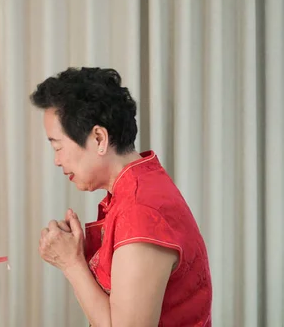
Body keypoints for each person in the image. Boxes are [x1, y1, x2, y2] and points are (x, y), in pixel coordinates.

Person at [33, 67, 212, 326]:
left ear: (98, 138)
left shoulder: (141, 212)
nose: (57, 161)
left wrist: (72, 264)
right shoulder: (136, 188)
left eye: (58, 146)